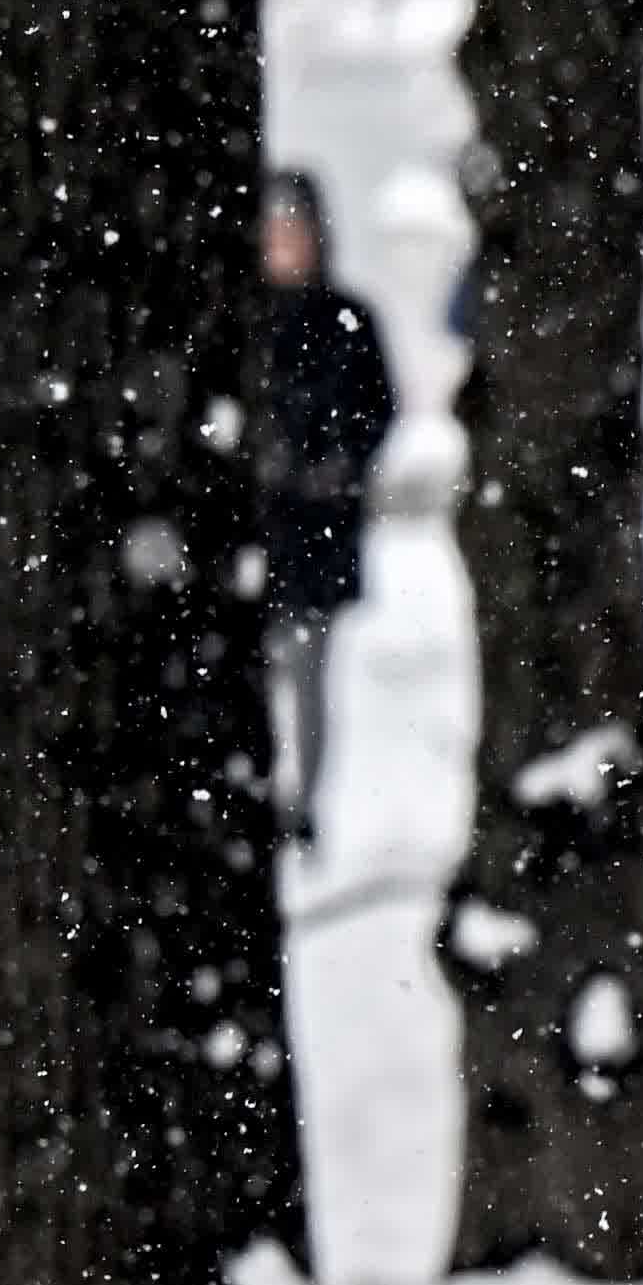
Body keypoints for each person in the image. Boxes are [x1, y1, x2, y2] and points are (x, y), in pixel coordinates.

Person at [250, 167, 402, 857]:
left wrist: (336, 463)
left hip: (314, 535)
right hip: (264, 530)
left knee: (308, 680)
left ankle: (299, 804)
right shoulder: (248, 321)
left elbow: (376, 409)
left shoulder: (345, 318)